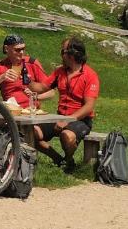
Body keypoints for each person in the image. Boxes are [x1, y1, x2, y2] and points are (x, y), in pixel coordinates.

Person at [29, 36, 99, 172]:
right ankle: (58, 159)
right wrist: (26, 80)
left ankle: (68, 161)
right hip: (60, 117)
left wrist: (68, 121)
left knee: (67, 136)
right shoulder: (60, 72)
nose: (61, 55)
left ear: (72, 54)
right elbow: (41, 87)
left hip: (81, 120)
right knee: (31, 132)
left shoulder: (90, 75)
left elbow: (88, 106)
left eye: (63, 52)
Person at [0, 33, 48, 109]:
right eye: (17, 50)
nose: (22, 52)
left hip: (32, 111)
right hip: (11, 112)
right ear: (6, 49)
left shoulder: (32, 63)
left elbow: (51, 92)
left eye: (23, 49)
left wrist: (36, 97)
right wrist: (2, 77)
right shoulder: (0, 66)